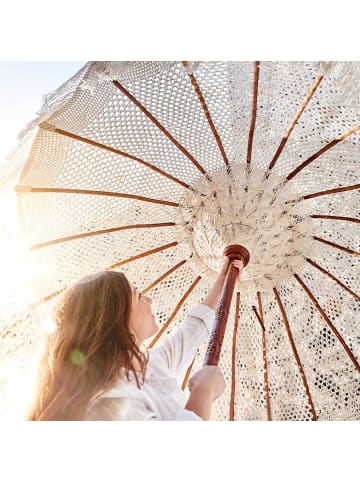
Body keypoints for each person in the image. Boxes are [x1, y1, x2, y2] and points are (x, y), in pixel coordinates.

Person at [27, 257, 244, 421]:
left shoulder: (149, 367)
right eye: (138, 295)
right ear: (115, 317)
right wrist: (203, 392)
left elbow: (192, 331)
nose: (148, 299)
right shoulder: (108, 403)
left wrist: (224, 281)